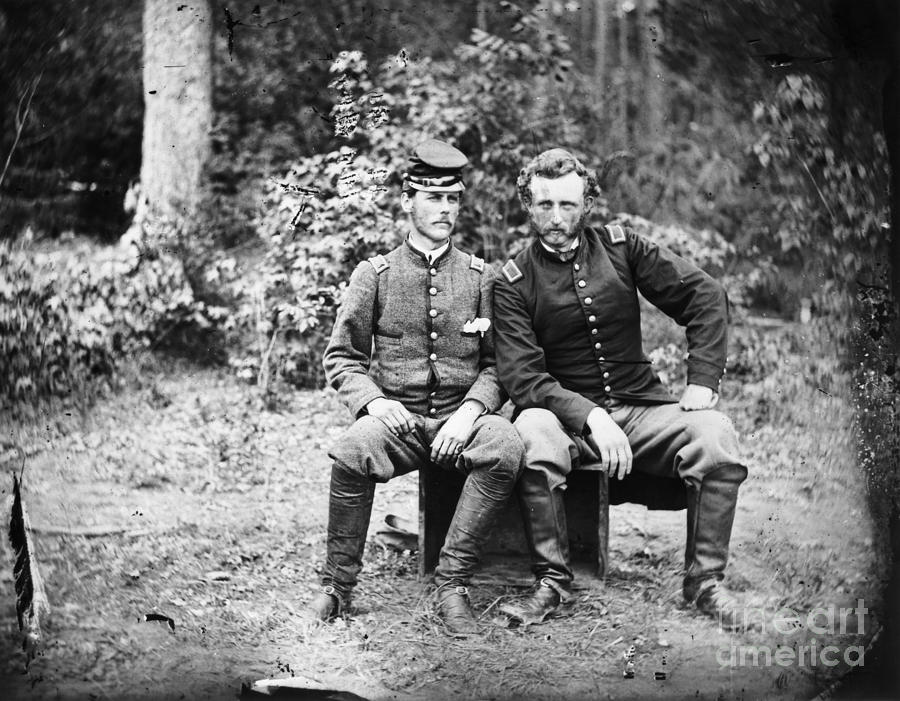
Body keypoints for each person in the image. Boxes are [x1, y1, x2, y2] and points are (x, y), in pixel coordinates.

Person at [492, 148, 748, 629]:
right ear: (527, 204)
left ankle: (706, 585)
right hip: (568, 422)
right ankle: (552, 582)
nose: (556, 217)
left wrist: (703, 380)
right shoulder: (512, 280)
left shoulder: (621, 247)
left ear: (587, 203)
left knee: (714, 435)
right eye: (544, 205)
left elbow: (705, 294)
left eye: (568, 205)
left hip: (641, 410)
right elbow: (523, 378)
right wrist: (591, 416)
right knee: (531, 427)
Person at [303, 139, 524, 636]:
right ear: (407, 201)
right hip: (398, 423)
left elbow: (499, 365)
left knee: (506, 445)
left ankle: (453, 584)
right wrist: (375, 402)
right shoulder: (375, 275)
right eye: (433, 198)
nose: (445, 209)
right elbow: (342, 357)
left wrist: (471, 411)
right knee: (352, 449)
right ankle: (337, 587)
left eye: (452, 199)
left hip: (460, 422)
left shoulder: (479, 277)